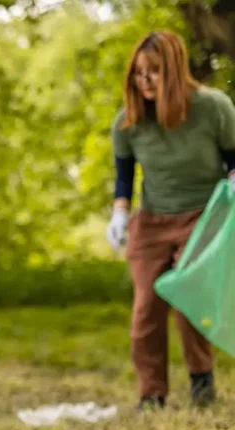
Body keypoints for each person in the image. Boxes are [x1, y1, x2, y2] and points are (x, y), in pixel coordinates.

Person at [108, 30, 234, 410]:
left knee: (187, 299)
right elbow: (124, 177)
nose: (144, 81)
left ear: (175, 71)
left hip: (203, 218)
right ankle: (152, 395)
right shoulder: (128, 123)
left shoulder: (213, 108)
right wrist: (119, 212)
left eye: (154, 72)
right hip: (151, 221)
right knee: (146, 307)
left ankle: (201, 381)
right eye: (138, 73)